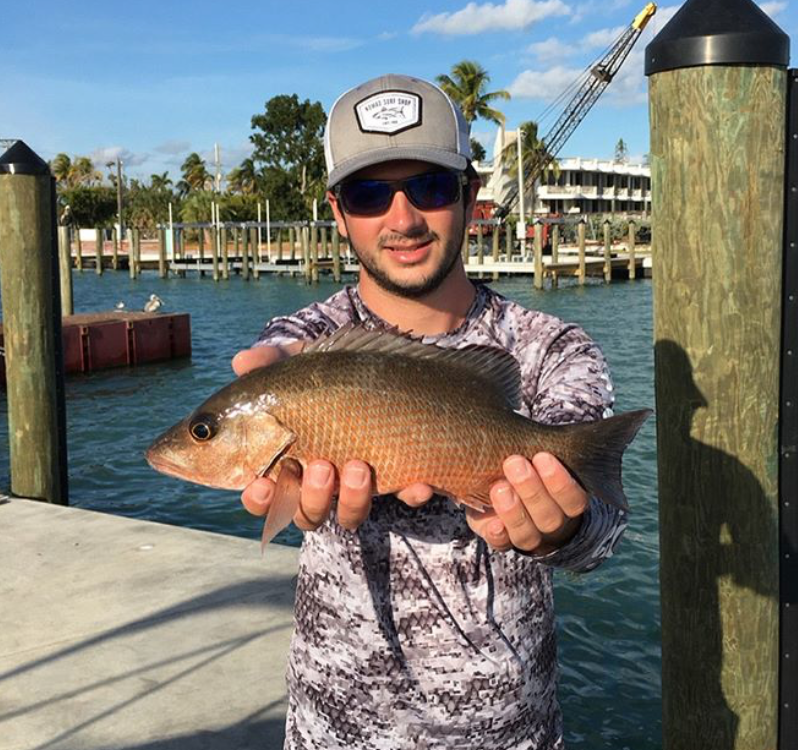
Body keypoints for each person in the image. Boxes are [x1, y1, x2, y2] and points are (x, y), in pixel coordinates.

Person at [232, 74, 629, 750]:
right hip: (332, 734)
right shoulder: (306, 344)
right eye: (367, 194)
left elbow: (601, 539)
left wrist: (557, 529)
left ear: (471, 196)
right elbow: (277, 348)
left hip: (510, 736)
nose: (403, 217)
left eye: (431, 187)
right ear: (336, 211)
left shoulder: (551, 349)